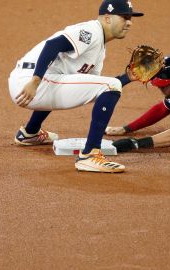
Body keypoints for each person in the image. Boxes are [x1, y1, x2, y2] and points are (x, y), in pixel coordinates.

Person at [8, 0, 145, 173]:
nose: (129, 22)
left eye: (131, 18)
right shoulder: (92, 31)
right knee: (109, 84)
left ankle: (29, 133)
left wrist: (127, 77)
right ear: (108, 18)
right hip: (29, 81)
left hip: (42, 81)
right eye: (125, 17)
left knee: (96, 83)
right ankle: (89, 155)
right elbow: (53, 45)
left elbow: (93, 90)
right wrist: (35, 81)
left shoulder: (99, 51)